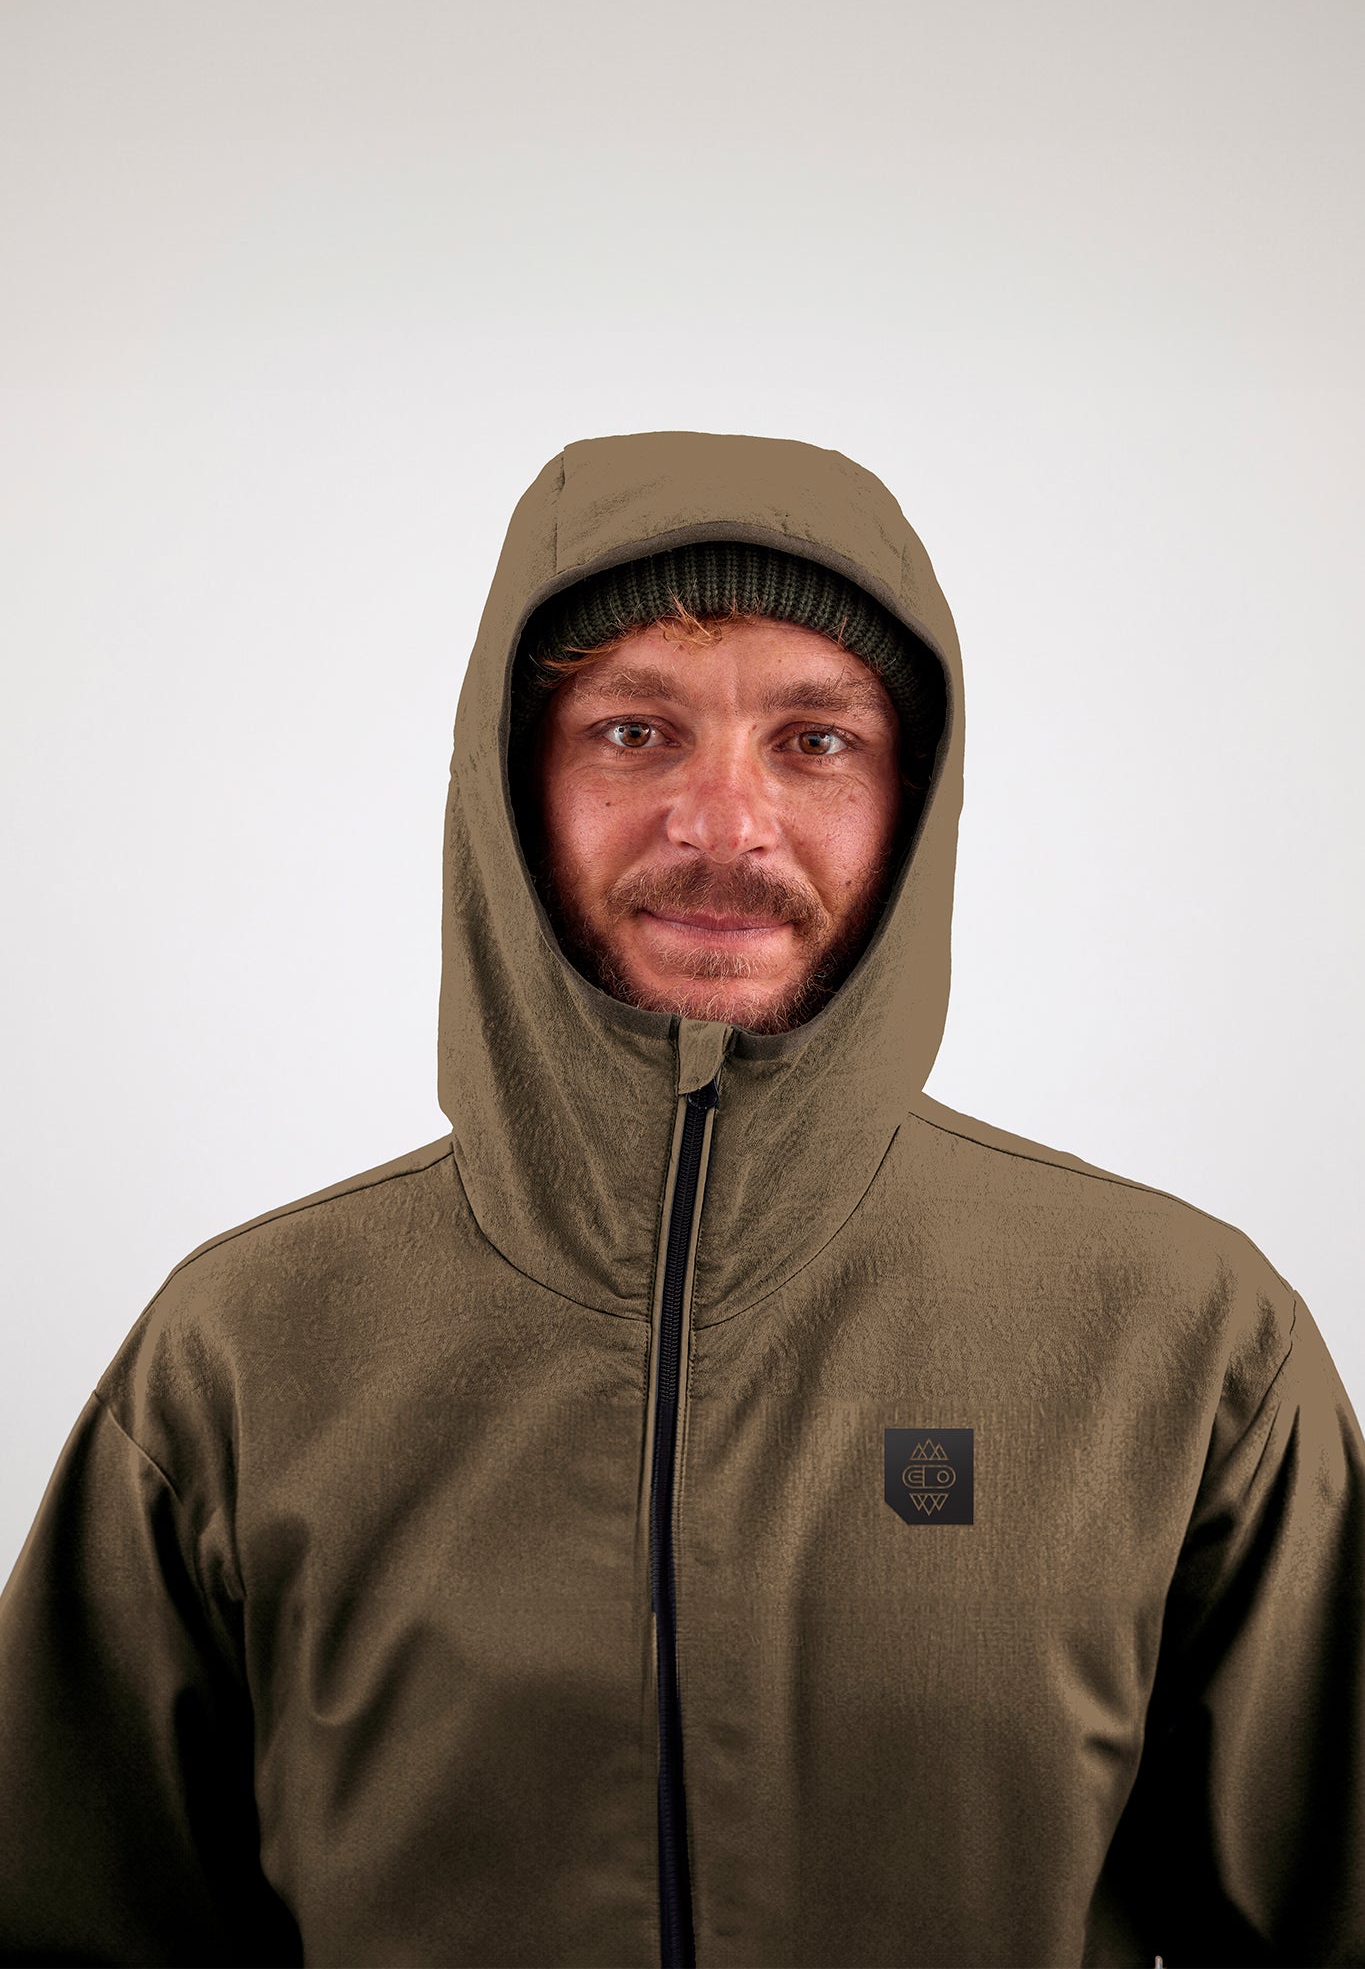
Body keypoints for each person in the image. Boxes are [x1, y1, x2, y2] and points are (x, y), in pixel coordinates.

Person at [0, 430, 1360, 1969]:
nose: (723, 823)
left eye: (815, 739)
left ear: (914, 796)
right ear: (511, 785)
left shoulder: (1181, 1341)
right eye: (634, 731)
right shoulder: (245, 1350)